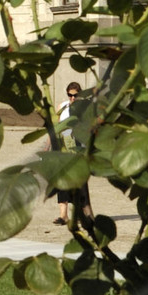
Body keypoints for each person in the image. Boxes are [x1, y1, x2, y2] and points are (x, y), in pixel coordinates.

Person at [55, 76, 92, 231]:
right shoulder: (63, 106)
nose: (72, 98)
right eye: (69, 95)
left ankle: (87, 213)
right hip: (65, 145)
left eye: (75, 95)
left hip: (79, 146)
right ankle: (63, 215)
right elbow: (57, 120)